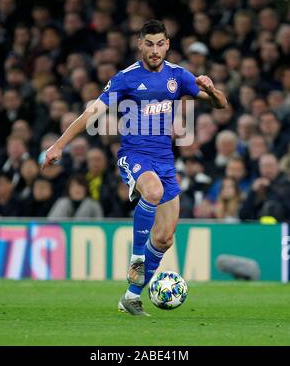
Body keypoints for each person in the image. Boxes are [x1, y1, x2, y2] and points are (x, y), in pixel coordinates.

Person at [43, 19, 227, 316]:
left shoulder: (178, 76)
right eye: (149, 44)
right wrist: (59, 145)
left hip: (165, 161)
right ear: (140, 44)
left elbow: (221, 104)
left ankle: (130, 296)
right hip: (134, 155)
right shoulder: (126, 78)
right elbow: (92, 112)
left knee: (166, 237)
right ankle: (137, 258)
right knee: (151, 191)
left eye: (160, 44)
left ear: (167, 45)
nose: (155, 50)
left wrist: (212, 90)